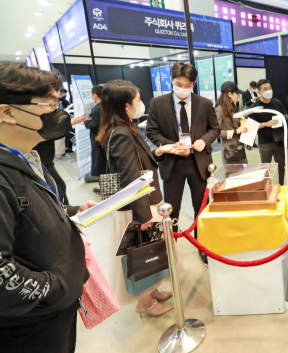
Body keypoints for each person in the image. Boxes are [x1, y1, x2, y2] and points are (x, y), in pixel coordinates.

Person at [0, 62, 97, 352]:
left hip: (52, 315)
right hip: (27, 330)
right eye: (49, 104)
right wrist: (58, 287)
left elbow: (26, 216)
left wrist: (70, 212)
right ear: (7, 112)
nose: (57, 112)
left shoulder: (25, 158)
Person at [97, 80, 180, 316]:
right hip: (140, 206)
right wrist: (142, 215)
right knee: (145, 255)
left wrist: (159, 152)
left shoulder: (121, 128)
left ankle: (152, 292)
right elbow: (130, 176)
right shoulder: (122, 133)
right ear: (126, 106)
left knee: (152, 253)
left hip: (141, 203)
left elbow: (136, 162)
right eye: (137, 100)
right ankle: (145, 303)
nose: (140, 104)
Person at [146, 62, 221, 242]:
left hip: (198, 163)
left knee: (201, 207)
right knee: (171, 209)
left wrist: (204, 140)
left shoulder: (204, 103)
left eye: (187, 85)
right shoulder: (158, 103)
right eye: (179, 84)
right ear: (171, 80)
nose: (183, 89)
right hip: (172, 163)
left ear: (194, 84)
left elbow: (215, 129)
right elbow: (152, 132)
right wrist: (172, 146)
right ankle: (172, 247)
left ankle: (202, 244)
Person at [248, 79, 287, 185]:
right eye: (265, 89)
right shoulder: (255, 108)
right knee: (266, 168)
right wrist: (266, 124)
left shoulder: (277, 103)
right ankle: (267, 188)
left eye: (270, 88)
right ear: (259, 92)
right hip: (265, 142)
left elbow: (285, 117)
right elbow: (251, 126)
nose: (269, 90)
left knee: (281, 166)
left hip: (279, 140)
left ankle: (281, 186)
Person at [216, 81, 249, 165]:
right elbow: (216, 132)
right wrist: (236, 131)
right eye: (236, 93)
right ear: (230, 94)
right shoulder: (220, 110)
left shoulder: (234, 107)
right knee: (233, 172)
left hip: (240, 147)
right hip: (230, 150)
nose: (238, 96)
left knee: (244, 171)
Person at [84, 85, 107, 185]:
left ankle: (98, 175)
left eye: (91, 94)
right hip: (105, 136)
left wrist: (86, 121)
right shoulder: (107, 106)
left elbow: (93, 125)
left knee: (98, 157)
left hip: (97, 137)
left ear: (95, 96)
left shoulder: (97, 109)